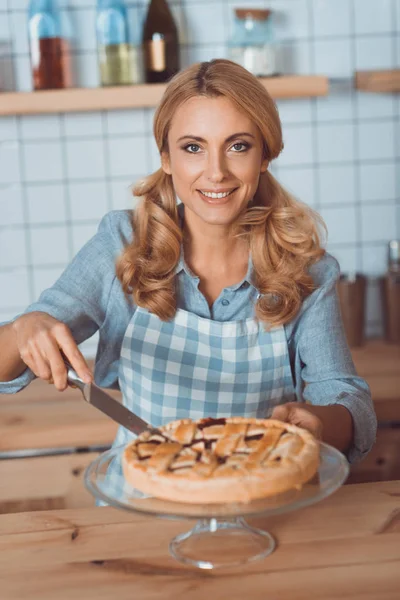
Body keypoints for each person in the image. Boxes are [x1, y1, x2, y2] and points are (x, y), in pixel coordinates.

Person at [0, 59, 376, 467]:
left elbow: (348, 401)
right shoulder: (123, 246)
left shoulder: (306, 271)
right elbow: (10, 363)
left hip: (262, 497)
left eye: (238, 146)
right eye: (193, 148)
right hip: (143, 499)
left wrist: (319, 422)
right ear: (166, 157)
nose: (216, 173)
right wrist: (23, 331)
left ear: (264, 155)